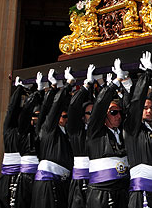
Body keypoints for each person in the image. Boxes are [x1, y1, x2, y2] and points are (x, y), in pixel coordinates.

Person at [86, 59, 130, 208]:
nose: (118, 116)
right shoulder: (95, 132)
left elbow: (132, 109)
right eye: (113, 112)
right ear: (104, 116)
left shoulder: (122, 132)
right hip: (101, 194)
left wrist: (127, 83)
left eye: (119, 112)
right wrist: (115, 82)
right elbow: (99, 105)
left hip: (122, 192)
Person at [31, 67, 75, 208]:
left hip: (63, 183)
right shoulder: (49, 128)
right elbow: (53, 107)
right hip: (48, 184)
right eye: (63, 116)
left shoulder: (66, 131)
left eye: (66, 116)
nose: (65, 118)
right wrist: (65, 86)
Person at [124, 52, 152, 208]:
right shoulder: (133, 128)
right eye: (145, 108)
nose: (149, 111)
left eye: (151, 108)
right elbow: (136, 102)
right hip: (142, 192)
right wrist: (147, 74)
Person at [15, 71, 48, 208]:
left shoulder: (44, 131)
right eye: (34, 116)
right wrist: (37, 92)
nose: (35, 119)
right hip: (26, 176)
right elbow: (24, 113)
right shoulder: (24, 130)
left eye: (39, 116)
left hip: (42, 176)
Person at [0, 77, 26, 208]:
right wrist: (18, 90)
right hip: (8, 176)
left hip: (22, 176)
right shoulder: (8, 131)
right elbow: (11, 109)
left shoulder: (26, 132)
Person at [67, 65, 95, 208]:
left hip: (97, 182)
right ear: (83, 117)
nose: (91, 116)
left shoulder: (99, 132)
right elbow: (73, 108)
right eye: (88, 113)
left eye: (94, 113)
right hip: (79, 182)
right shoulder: (76, 131)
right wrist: (85, 86)